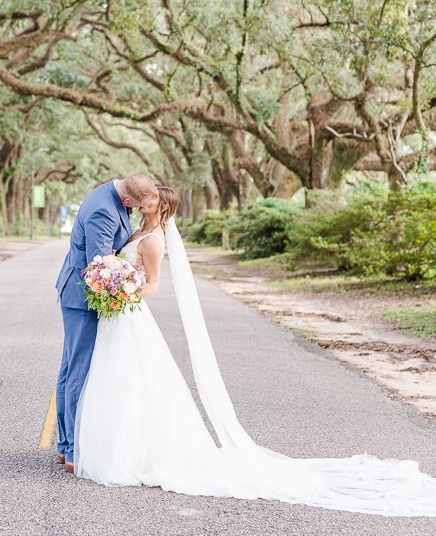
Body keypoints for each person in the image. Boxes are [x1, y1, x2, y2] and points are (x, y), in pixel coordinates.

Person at [73, 185, 436, 517]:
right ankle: (120, 448)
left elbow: (152, 286)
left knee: (133, 381)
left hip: (129, 312)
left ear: (162, 206)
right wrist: (114, 284)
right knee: (120, 382)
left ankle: (135, 453)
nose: (142, 200)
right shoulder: (138, 231)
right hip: (119, 316)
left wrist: (121, 292)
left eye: (150, 198)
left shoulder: (153, 240)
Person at [55, 173, 159, 472]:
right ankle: (73, 448)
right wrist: (125, 284)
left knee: (71, 368)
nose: (138, 210)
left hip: (81, 294)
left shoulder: (115, 194)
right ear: (128, 199)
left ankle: (65, 445)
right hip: (81, 298)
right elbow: (99, 265)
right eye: (136, 205)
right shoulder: (104, 208)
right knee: (78, 371)